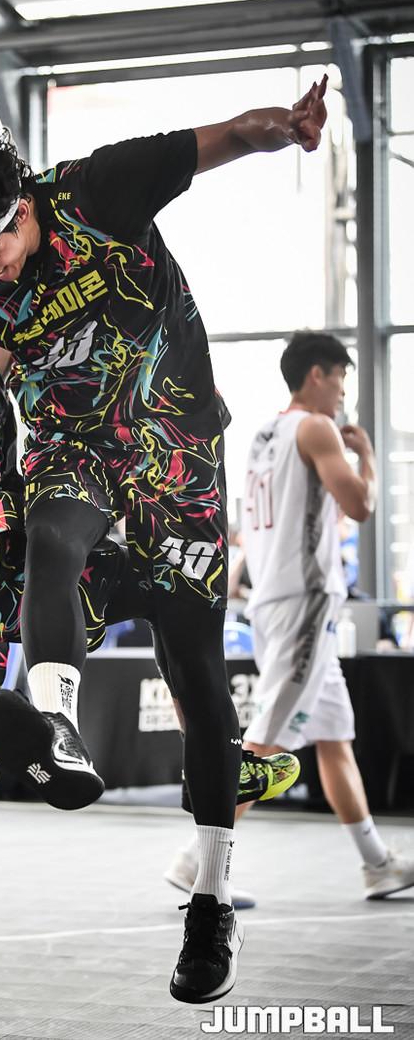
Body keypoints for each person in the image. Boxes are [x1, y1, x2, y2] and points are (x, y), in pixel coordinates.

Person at [0, 79, 329, 1005]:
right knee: (50, 540)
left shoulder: (99, 189)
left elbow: (223, 137)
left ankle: (210, 905)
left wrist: (285, 129)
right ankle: (54, 722)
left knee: (197, 674)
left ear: (23, 207)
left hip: (175, 443)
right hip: (72, 444)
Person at [166, 331, 414, 905]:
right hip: (305, 601)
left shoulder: (262, 435)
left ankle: (377, 862)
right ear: (317, 374)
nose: (343, 393)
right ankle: (196, 860)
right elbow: (360, 505)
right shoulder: (316, 428)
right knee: (267, 740)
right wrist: (367, 457)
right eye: (341, 378)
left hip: (276, 599)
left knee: (333, 736)